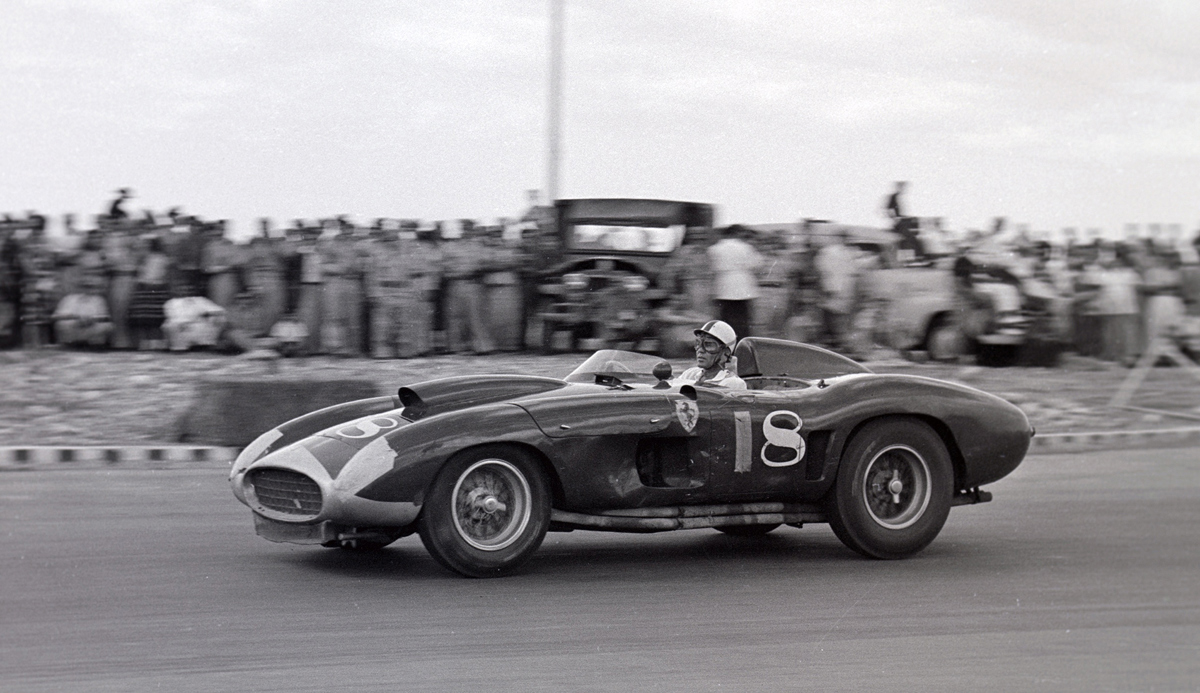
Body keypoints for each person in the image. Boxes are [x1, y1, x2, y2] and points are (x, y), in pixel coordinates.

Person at [707, 224, 762, 340]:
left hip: (723, 285)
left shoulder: (713, 248)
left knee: (725, 317)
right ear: (737, 233)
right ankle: (742, 342)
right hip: (743, 285)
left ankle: (726, 341)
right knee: (743, 318)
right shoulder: (746, 247)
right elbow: (757, 264)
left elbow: (712, 267)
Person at [675, 319, 746, 389]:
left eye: (709, 344)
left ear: (725, 352)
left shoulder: (733, 383)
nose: (700, 350)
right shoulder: (689, 374)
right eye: (698, 343)